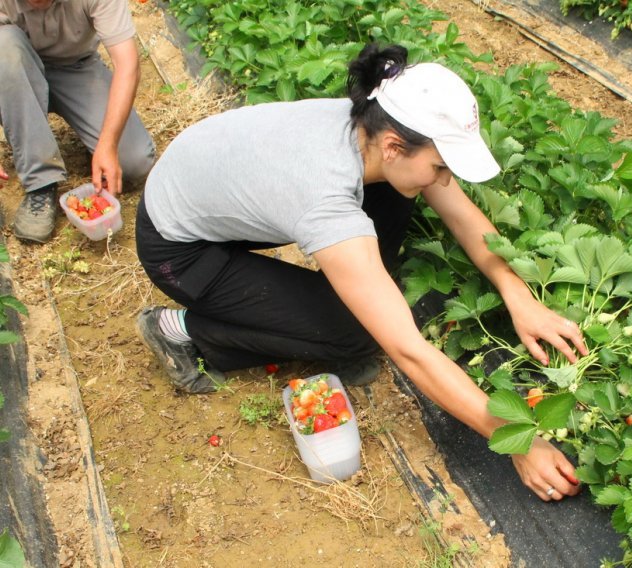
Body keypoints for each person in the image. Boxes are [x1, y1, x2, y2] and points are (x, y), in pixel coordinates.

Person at [135, 43, 588, 501]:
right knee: (355, 332)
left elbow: (461, 216)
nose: (446, 180)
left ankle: (358, 293)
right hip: (181, 250)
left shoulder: (373, 128)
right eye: (440, 166)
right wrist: (517, 438)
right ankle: (184, 331)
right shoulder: (325, 193)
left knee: (399, 192)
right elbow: (408, 351)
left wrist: (520, 297)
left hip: (211, 196)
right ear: (395, 145)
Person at [0, 0, 156, 243]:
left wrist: (108, 144)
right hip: (11, 69)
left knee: (134, 160)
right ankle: (41, 182)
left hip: (75, 67)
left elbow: (127, 64)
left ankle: (95, 143)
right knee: (4, 45)